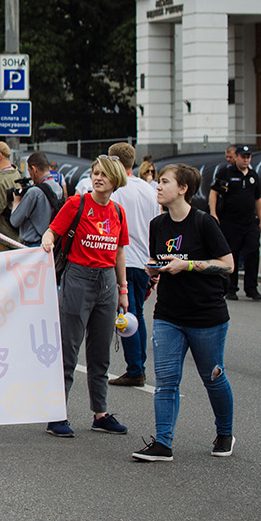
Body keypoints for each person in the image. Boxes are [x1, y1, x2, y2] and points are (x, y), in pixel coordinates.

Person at [133, 164, 236, 462]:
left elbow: (227, 264)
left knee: (213, 377)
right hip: (168, 314)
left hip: (206, 315)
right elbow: (159, 257)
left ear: (183, 189)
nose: (158, 187)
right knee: (166, 380)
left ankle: (225, 432)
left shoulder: (204, 222)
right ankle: (163, 442)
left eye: (164, 182)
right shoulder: (157, 225)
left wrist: (188, 264)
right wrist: (153, 269)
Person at [40, 155, 131, 438]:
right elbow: (53, 230)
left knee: (100, 353)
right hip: (78, 278)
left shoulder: (117, 211)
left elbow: (119, 252)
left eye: (104, 174)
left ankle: (100, 413)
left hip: (106, 283)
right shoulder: (76, 204)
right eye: (95, 173)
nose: (97, 177)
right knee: (69, 349)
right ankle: (57, 415)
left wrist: (123, 289)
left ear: (115, 180)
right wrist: (47, 239)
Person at [107, 143, 161, 388]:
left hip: (123, 260)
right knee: (136, 314)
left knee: (126, 315)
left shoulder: (117, 191)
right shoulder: (148, 190)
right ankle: (138, 365)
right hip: (144, 260)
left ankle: (135, 368)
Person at [209, 144, 261, 301]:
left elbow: (257, 198)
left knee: (253, 252)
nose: (246, 160)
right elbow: (214, 192)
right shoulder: (226, 173)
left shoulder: (253, 175)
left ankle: (252, 288)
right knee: (232, 253)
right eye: (243, 157)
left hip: (249, 221)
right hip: (231, 221)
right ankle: (231, 288)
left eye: (248, 157)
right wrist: (213, 213)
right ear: (237, 157)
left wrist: (259, 218)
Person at [9, 151, 62, 248]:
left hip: (33, 245)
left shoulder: (34, 192)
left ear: (34, 170)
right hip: (50, 243)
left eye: (29, 171)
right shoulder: (58, 188)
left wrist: (16, 201)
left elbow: (14, 221)